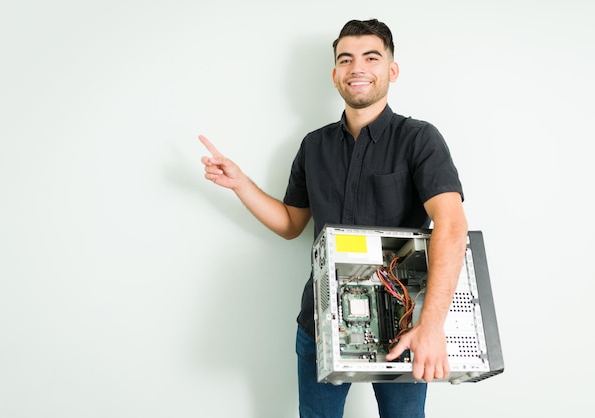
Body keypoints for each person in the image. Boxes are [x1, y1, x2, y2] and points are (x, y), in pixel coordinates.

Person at [199, 18, 468, 418]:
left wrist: (431, 325)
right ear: (335, 74)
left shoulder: (419, 139)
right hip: (319, 321)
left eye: (371, 57)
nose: (357, 68)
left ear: (391, 70)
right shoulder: (313, 145)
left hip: (403, 322)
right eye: (346, 59)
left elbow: (451, 224)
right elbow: (292, 224)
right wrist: (242, 184)